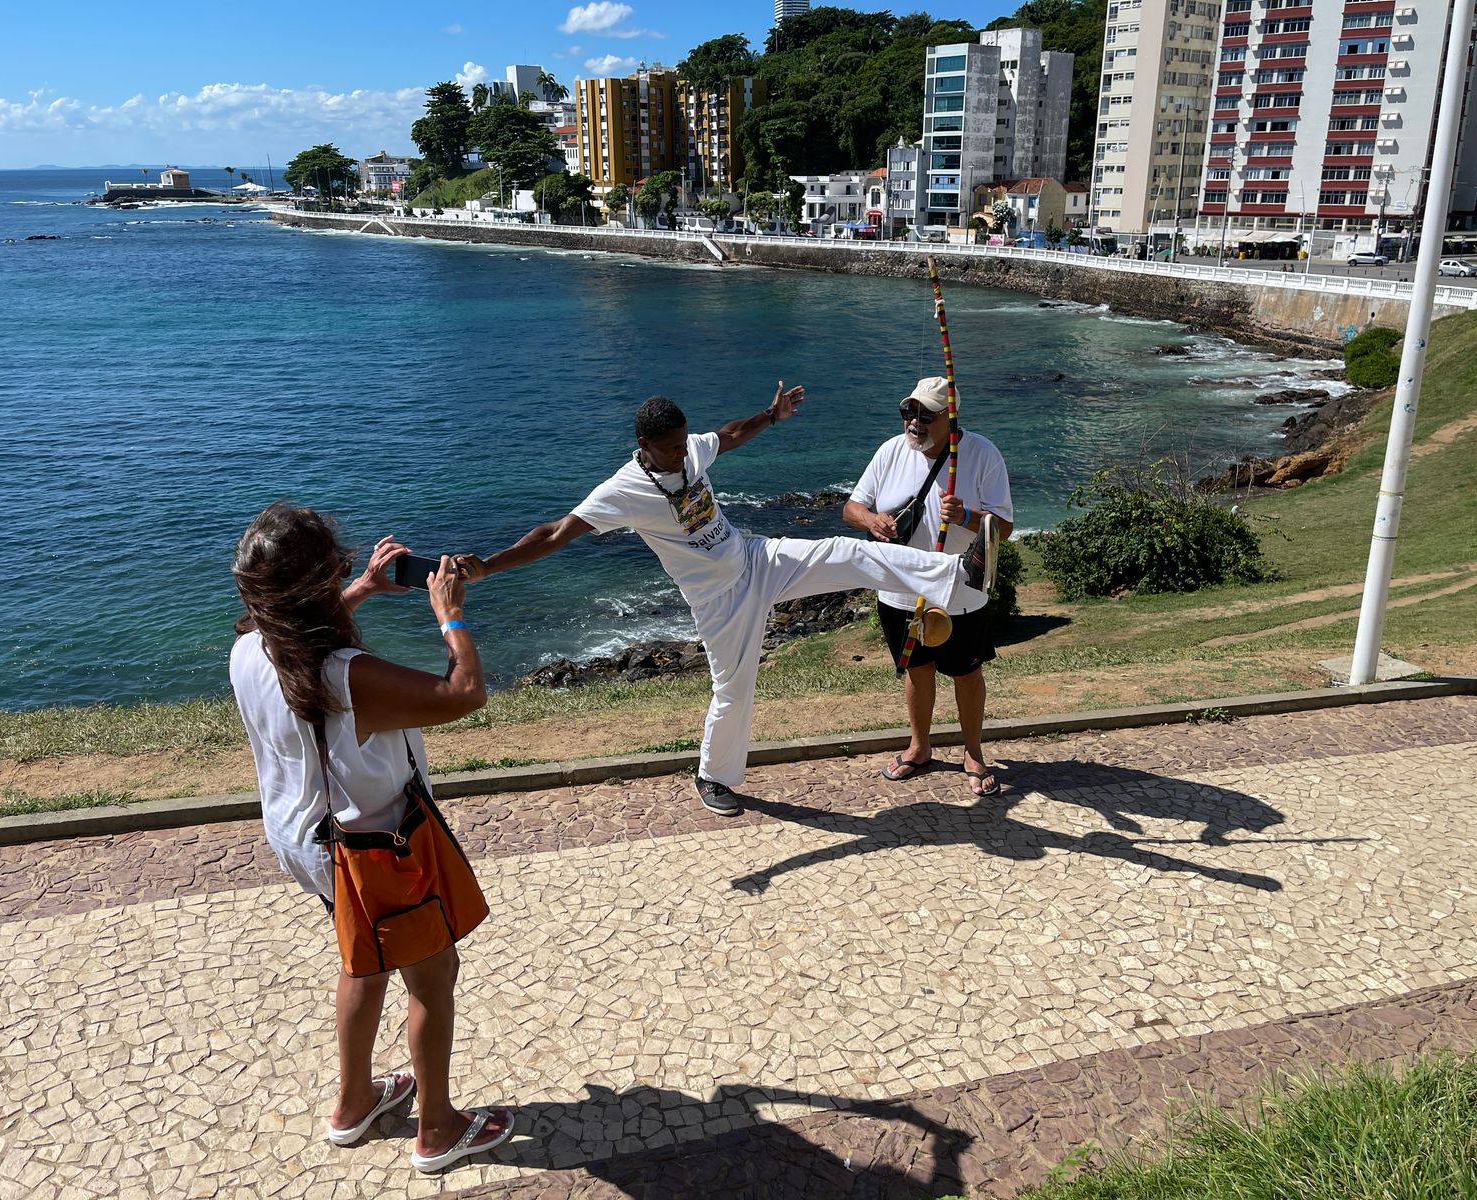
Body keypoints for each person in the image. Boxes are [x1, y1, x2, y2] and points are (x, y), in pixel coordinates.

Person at [457, 382, 992, 817]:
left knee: (848, 553)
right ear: (642, 446)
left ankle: (955, 571)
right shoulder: (622, 490)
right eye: (669, 449)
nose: (681, 454)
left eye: (683, 443)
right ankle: (713, 777)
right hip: (719, 602)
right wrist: (488, 566)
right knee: (734, 691)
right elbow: (553, 533)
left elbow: (730, 436)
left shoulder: (689, 449)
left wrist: (772, 414)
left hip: (756, 558)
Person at [229, 502, 515, 1174]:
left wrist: (356, 592)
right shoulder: (346, 678)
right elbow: (464, 691)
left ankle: (354, 1103)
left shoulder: (249, 647)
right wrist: (449, 612)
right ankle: (439, 1130)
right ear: (319, 583)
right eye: (340, 569)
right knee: (432, 976)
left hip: (309, 844)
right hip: (375, 848)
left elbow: (305, 643)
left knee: (364, 957)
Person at [845, 377, 1014, 796]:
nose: (914, 423)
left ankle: (973, 753)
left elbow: (1005, 528)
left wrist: (969, 518)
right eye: (909, 413)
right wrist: (872, 521)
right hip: (901, 588)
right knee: (917, 669)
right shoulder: (891, 451)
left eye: (925, 415)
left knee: (965, 671)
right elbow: (852, 507)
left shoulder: (981, 454)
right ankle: (919, 747)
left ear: (950, 418)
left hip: (959, 590)